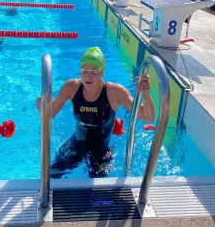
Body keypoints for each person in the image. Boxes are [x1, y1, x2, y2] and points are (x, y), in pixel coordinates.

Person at [36, 47, 155, 178]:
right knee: (52, 174)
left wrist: (146, 93)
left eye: (94, 71)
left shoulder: (114, 92)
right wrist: (42, 108)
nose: (88, 75)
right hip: (77, 144)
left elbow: (148, 116)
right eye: (84, 70)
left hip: (102, 150)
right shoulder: (71, 88)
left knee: (98, 187)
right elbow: (48, 117)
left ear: (102, 72)